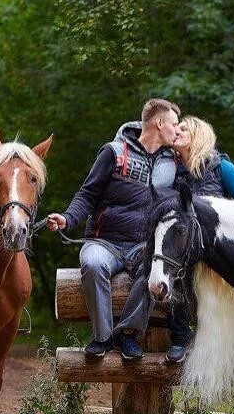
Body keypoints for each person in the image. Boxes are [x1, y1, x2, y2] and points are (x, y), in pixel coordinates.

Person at [46, 99, 181, 360]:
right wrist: (67, 218)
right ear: (160, 123)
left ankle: (127, 334)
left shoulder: (175, 162)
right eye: (174, 124)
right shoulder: (114, 152)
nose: (177, 130)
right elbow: (88, 194)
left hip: (144, 244)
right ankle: (103, 337)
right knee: (93, 263)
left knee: (155, 270)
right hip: (104, 241)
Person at [165, 115, 234, 362]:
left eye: (184, 128)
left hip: (220, 249)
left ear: (198, 135)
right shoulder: (172, 173)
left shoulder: (222, 168)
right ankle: (180, 337)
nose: (177, 131)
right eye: (176, 127)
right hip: (187, 250)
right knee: (172, 268)